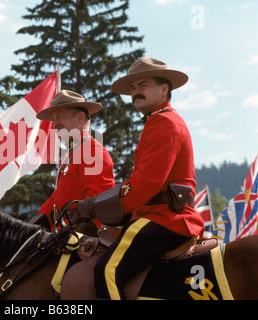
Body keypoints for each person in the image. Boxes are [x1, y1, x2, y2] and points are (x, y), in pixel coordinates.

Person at [70, 57, 205, 299]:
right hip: (160, 215)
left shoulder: (163, 121)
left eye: (143, 85)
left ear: (164, 90)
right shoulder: (159, 120)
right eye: (132, 88)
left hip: (166, 218)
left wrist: (96, 206)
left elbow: (147, 183)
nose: (135, 92)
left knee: (107, 270)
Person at [30, 90, 115, 234]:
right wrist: (39, 219)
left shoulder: (92, 151)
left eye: (59, 117)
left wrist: (78, 237)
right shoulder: (71, 154)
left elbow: (99, 204)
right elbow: (56, 200)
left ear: (80, 118)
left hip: (81, 237)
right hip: (62, 233)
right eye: (54, 119)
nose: (55, 124)